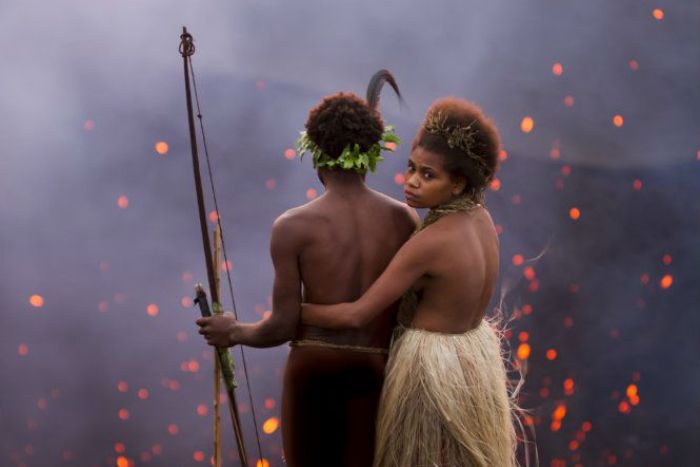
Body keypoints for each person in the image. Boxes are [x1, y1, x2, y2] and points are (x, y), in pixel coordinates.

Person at [196, 80, 418, 467]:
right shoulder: (403, 219)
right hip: (376, 370)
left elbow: (281, 327)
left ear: (314, 153)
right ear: (371, 156)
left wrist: (233, 332)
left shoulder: (292, 226)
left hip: (313, 372)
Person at [302, 97, 519, 467]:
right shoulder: (481, 219)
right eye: (411, 168)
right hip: (470, 365)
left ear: (458, 183)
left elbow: (357, 315)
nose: (412, 182)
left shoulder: (430, 242)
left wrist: (293, 312)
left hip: (432, 378)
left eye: (428, 175)